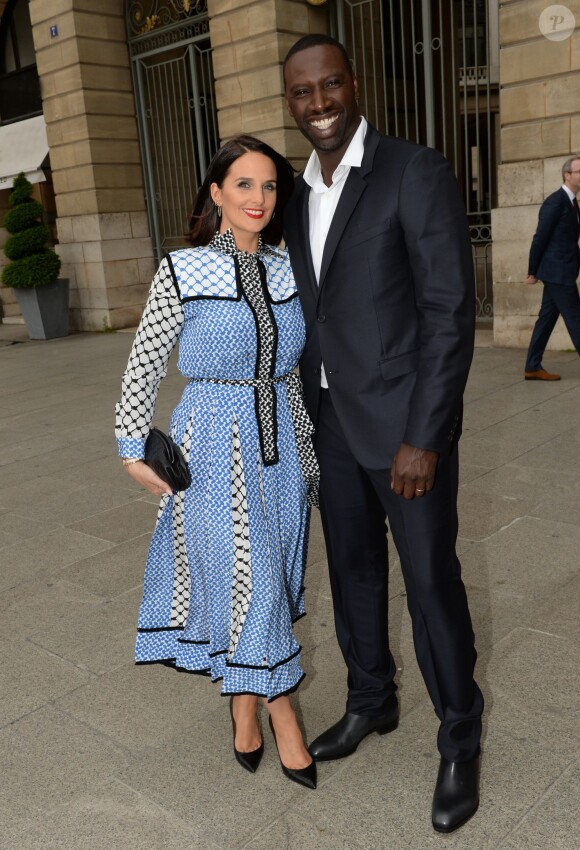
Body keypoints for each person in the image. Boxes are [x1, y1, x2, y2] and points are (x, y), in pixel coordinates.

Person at [282, 34, 483, 832]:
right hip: (331, 421)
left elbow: (448, 313)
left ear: (353, 87)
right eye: (303, 92)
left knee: (431, 583)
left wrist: (425, 436)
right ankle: (372, 700)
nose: (320, 104)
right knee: (354, 571)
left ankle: (460, 736)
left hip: (406, 432)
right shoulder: (297, 195)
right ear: (290, 101)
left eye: (331, 86)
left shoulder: (413, 170)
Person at [115, 135, 318, 790]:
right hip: (211, 444)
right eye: (243, 185)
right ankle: (282, 713)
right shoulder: (182, 269)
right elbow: (144, 364)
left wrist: (320, 456)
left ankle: (241, 701)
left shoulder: (294, 270)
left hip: (284, 441)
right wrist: (129, 447)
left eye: (269, 186)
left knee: (268, 581)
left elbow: (301, 367)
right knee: (250, 577)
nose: (258, 199)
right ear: (216, 192)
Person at [523, 155, 580, 380]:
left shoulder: (572, 202)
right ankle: (532, 365)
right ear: (567, 175)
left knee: (546, 319)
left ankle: (532, 366)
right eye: (579, 171)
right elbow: (540, 237)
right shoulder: (555, 201)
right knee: (576, 318)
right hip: (558, 272)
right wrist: (532, 270)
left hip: (562, 269)